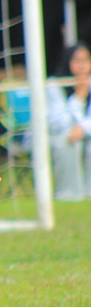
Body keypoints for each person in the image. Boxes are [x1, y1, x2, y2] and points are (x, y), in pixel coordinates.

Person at [46, 43, 91, 200]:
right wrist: (78, 98)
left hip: (82, 133)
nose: (82, 66)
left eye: (85, 60)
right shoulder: (54, 85)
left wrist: (83, 128)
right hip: (54, 136)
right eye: (77, 61)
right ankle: (69, 194)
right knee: (68, 142)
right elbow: (59, 122)